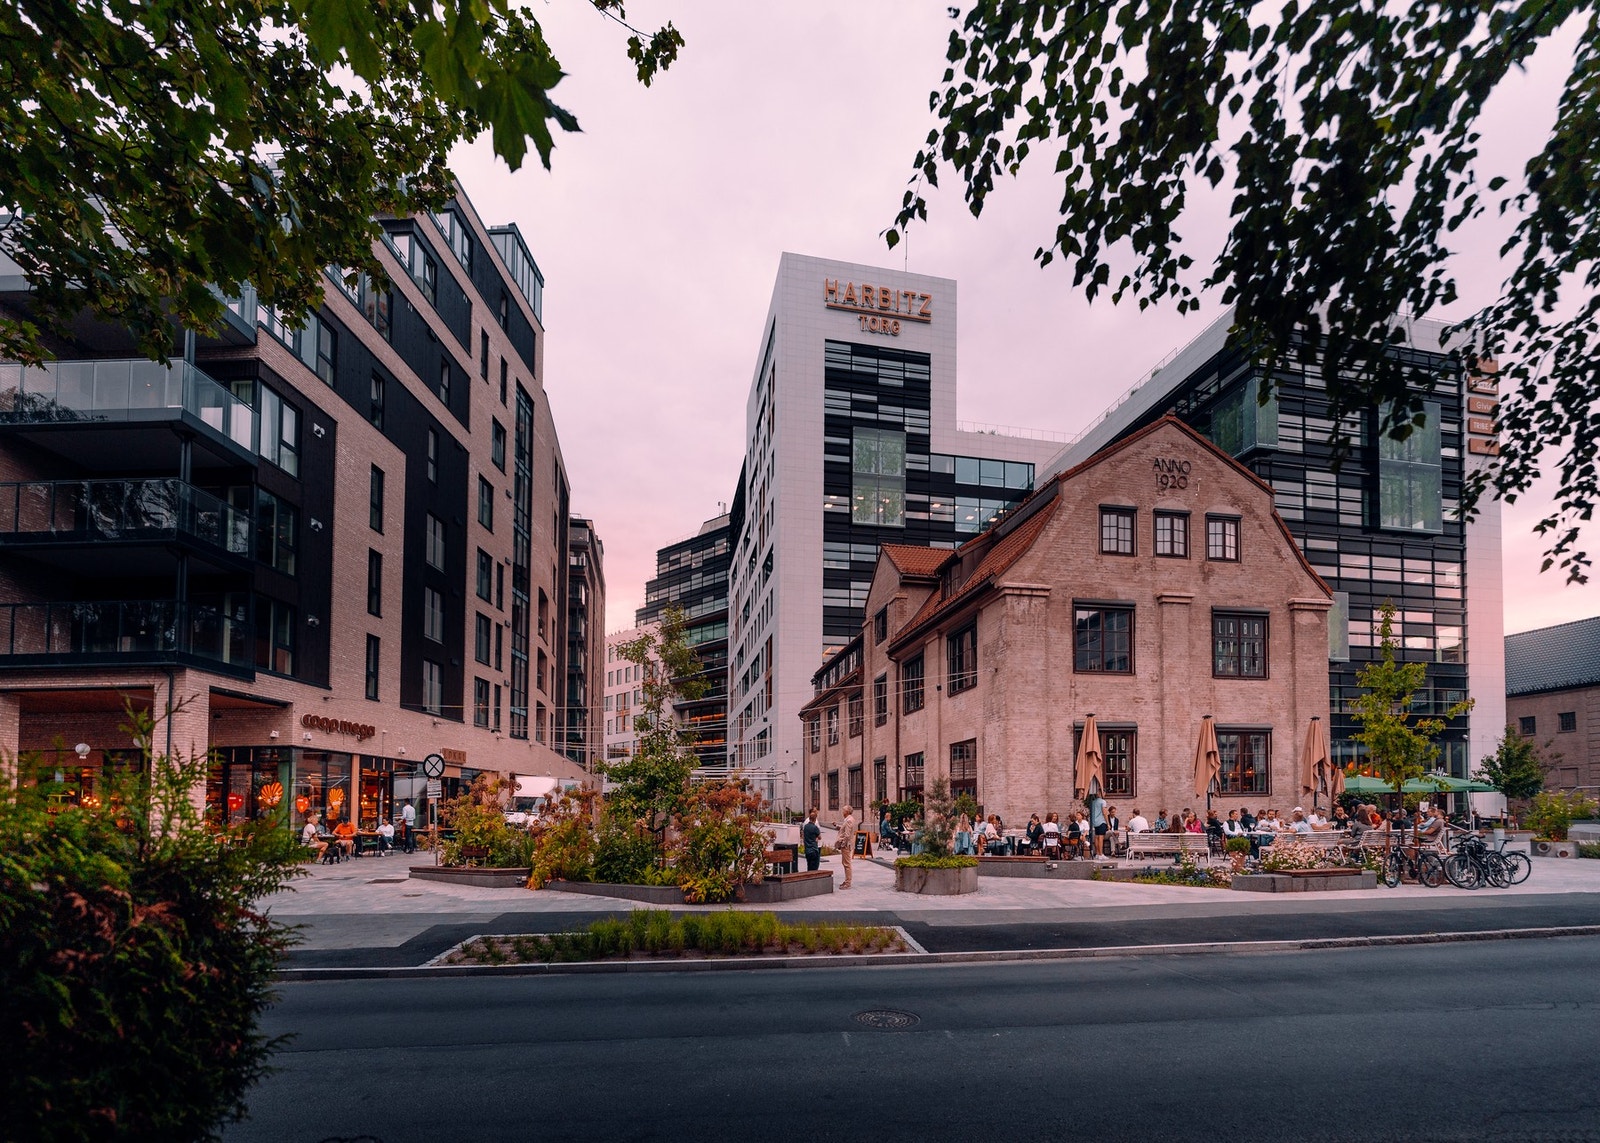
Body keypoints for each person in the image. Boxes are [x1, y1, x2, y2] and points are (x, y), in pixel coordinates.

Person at [837, 806, 858, 889]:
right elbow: (844, 829)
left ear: (847, 812)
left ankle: (848, 882)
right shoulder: (848, 819)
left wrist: (842, 844)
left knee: (847, 863)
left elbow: (847, 835)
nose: (842, 812)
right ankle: (846, 880)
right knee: (845, 863)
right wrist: (838, 826)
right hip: (846, 844)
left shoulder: (849, 820)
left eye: (843, 810)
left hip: (846, 845)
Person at [1088, 792, 1108, 857]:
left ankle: (1097, 853)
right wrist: (1108, 823)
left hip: (1095, 822)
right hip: (1101, 821)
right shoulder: (1103, 802)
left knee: (1096, 837)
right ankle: (1101, 854)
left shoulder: (1093, 802)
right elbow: (1104, 812)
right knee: (1101, 837)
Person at [802, 808, 822, 872]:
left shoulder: (806, 826)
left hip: (807, 849)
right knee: (814, 867)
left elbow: (803, 835)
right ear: (815, 819)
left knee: (809, 866)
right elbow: (819, 837)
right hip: (814, 849)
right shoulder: (815, 827)